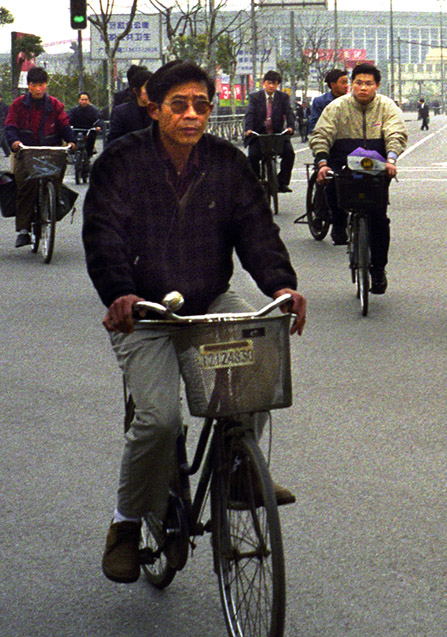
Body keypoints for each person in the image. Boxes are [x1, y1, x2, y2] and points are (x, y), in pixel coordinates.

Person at [83, 60, 307, 585]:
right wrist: (121, 294)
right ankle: (125, 525)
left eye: (201, 105)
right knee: (158, 420)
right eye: (179, 105)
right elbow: (102, 234)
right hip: (148, 312)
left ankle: (235, 468)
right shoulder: (121, 162)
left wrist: (282, 285)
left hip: (210, 297)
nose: (191, 115)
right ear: (154, 107)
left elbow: (256, 230)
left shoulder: (227, 163)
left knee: (255, 379)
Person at [309, 62, 408, 293]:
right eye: (358, 83)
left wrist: (391, 159)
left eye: (368, 84)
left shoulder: (387, 106)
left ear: (377, 86)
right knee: (330, 182)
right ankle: (339, 222)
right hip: (342, 159)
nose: (363, 88)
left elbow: (396, 133)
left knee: (379, 220)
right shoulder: (337, 106)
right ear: (352, 85)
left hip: (376, 165)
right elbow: (322, 134)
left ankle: (378, 269)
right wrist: (322, 162)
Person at [4, 66, 76, 248]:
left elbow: (64, 124)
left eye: (41, 85)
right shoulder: (18, 105)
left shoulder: (55, 105)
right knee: (25, 186)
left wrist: (71, 141)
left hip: (51, 151)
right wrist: (14, 143)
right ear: (28, 86)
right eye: (34, 85)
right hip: (26, 152)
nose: (38, 89)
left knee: (55, 180)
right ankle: (23, 230)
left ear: (46, 85)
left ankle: (52, 206)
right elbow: (10, 127)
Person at [244, 70, 296, 193]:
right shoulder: (255, 97)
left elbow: (289, 113)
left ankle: (281, 182)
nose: (272, 86)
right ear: (264, 83)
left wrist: (291, 126)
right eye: (269, 83)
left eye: (275, 83)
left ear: (278, 85)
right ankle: (255, 183)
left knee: (289, 154)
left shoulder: (283, 97)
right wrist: (248, 129)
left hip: (277, 135)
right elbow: (249, 114)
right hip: (258, 135)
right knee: (252, 157)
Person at [106, 68, 152, 146]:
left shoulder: (159, 111)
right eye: (147, 88)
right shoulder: (121, 113)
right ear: (136, 91)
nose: (151, 91)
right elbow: (113, 143)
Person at [68, 92, 103, 159]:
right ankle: (72, 150)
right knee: (70, 138)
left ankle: (89, 152)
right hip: (77, 130)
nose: (84, 101)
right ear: (79, 100)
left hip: (89, 130)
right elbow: (68, 119)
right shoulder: (74, 110)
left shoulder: (94, 110)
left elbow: (98, 119)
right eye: (82, 99)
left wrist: (98, 126)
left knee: (92, 137)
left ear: (88, 100)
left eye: (85, 100)